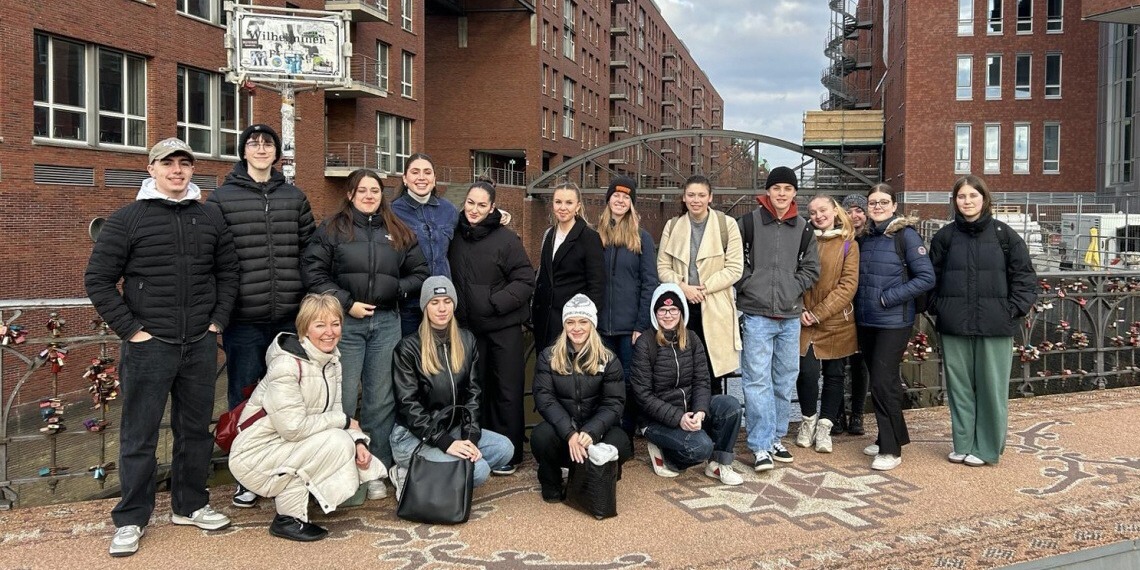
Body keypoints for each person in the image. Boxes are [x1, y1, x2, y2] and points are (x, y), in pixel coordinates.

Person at [85, 138, 240, 557]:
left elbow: (228, 272)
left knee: (195, 431)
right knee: (140, 434)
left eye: (184, 163)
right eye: (167, 163)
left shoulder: (210, 217)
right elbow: (98, 280)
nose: (176, 170)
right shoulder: (128, 219)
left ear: (192, 170)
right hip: (149, 346)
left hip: (199, 343)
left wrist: (217, 321)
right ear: (151, 169)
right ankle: (131, 518)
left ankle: (190, 505)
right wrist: (131, 330)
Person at [303, 168, 428, 499]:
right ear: (350, 194)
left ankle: (376, 469)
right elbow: (313, 271)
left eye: (375, 190)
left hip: (386, 322)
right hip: (344, 324)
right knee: (341, 397)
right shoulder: (333, 229)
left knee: (380, 398)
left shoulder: (397, 229)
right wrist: (347, 303)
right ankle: (343, 471)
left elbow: (420, 272)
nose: (369, 196)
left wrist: (394, 289)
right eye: (362, 190)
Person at [208, 123, 315, 508]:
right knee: (244, 395)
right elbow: (213, 256)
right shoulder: (221, 199)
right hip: (243, 318)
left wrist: (307, 300)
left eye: (267, 143)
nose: (260, 149)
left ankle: (286, 468)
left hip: (288, 317)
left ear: (276, 152)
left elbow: (309, 252)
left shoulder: (294, 197)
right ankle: (246, 474)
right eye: (253, 143)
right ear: (243, 151)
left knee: (290, 396)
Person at [228, 293, 386, 542]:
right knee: (336, 442)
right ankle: (290, 515)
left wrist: (357, 441)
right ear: (304, 328)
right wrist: (345, 424)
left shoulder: (331, 361)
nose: (329, 332)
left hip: (285, 446)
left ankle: (289, 519)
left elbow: (333, 411)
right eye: (320, 325)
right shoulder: (286, 365)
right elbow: (293, 428)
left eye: (335, 324)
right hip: (254, 453)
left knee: (344, 442)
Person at [930, 175, 1037, 467]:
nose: (967, 201)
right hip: (955, 324)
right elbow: (931, 278)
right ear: (955, 201)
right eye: (961, 196)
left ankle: (987, 448)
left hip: (995, 325)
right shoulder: (945, 237)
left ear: (984, 198)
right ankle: (963, 443)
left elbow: (1025, 278)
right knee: (959, 389)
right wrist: (939, 307)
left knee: (992, 388)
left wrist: (1012, 310)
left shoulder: (1005, 235)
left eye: (972, 196)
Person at [390, 276, 515, 495]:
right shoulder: (407, 348)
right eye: (435, 302)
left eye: (447, 301)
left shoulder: (466, 340)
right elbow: (409, 406)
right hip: (413, 436)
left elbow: (474, 394)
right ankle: (405, 472)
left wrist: (469, 439)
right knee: (478, 471)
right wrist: (445, 443)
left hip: (453, 428)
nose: (442, 308)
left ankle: (437, 469)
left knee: (505, 449)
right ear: (425, 306)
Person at [734, 167, 820, 471]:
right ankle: (760, 445)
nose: (782, 193)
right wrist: (750, 285)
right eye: (776, 188)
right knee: (757, 380)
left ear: (794, 192)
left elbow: (812, 268)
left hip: (789, 315)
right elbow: (734, 261)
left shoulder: (804, 229)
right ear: (768, 191)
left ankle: (775, 438)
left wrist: (792, 288)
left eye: (787, 188)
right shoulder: (749, 223)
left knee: (784, 380)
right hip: (757, 313)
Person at [448, 178, 535, 474]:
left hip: (503, 327)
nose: (474, 209)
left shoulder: (506, 240)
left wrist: (495, 302)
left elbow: (525, 279)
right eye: (470, 203)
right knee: (474, 390)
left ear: (492, 207)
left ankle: (509, 454)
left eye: (482, 205)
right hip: (468, 329)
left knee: (506, 390)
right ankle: (479, 449)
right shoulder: (455, 235)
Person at [854, 183, 935, 471]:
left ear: (894, 206)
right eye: (873, 202)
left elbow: (926, 277)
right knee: (881, 381)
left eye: (883, 202)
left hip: (893, 321)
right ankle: (890, 435)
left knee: (882, 381)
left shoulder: (906, 236)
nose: (877, 207)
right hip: (866, 320)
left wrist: (889, 298)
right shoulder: (865, 236)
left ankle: (891, 449)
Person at [631, 284, 743, 485]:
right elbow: (643, 395)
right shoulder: (645, 343)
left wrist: (700, 411)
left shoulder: (692, 338)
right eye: (662, 310)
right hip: (656, 421)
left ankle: (718, 464)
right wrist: (678, 418)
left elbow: (701, 380)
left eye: (673, 309)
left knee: (731, 407)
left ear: (681, 312)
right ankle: (668, 457)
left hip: (689, 410)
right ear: (654, 313)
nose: (668, 315)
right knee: (700, 447)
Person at [531, 294, 633, 502]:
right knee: (541, 436)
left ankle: (595, 475)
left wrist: (591, 431)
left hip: (595, 434)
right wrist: (569, 433)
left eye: (583, 322)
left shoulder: (608, 359)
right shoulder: (548, 357)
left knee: (621, 442)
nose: (576, 328)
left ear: (592, 325)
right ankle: (551, 480)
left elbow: (614, 403)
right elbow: (545, 399)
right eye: (570, 322)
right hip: (564, 435)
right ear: (564, 325)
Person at [656, 174, 743, 398]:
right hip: (681, 307)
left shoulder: (727, 225)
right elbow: (663, 267)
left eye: (701, 195)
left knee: (712, 372)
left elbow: (735, 268)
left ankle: (712, 415)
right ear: (684, 198)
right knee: (682, 369)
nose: (696, 200)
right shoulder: (672, 226)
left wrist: (703, 288)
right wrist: (683, 287)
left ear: (710, 197)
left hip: (714, 307)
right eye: (691, 195)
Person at [795, 196, 859, 454]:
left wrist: (818, 313)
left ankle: (825, 427)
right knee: (806, 373)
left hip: (835, 320)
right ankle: (808, 421)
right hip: (805, 319)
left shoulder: (848, 243)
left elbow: (848, 285)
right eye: (812, 212)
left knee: (834, 375)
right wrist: (800, 309)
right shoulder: (803, 240)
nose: (818, 216)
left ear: (835, 211)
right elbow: (792, 276)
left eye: (822, 210)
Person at [596, 176, 658, 434]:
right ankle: (609, 428)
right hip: (600, 326)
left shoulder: (642, 238)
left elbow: (650, 282)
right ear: (608, 199)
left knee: (631, 379)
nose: (620, 200)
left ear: (631, 203)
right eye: (616, 195)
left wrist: (641, 324)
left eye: (626, 197)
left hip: (629, 327)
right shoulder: (596, 236)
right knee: (604, 380)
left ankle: (629, 428)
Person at [532, 181, 606, 350]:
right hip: (544, 319)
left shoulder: (589, 238)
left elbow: (597, 285)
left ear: (578, 206)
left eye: (569, 203)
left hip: (572, 323)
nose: (563, 207)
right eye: (558, 202)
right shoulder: (549, 234)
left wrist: (586, 321)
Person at [391, 153, 459, 335]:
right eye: (415, 172)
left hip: (442, 302)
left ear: (434, 178)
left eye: (427, 172)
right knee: (410, 350)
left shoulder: (449, 210)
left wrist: (497, 217)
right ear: (405, 179)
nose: (421, 177)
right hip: (409, 303)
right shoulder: (392, 212)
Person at [840, 193, 871, 436]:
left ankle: (857, 414)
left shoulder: (872, 240)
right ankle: (837, 413)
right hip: (841, 310)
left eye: (859, 210)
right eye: (849, 211)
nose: (854, 216)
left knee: (861, 366)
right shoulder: (839, 240)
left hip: (865, 309)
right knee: (836, 365)